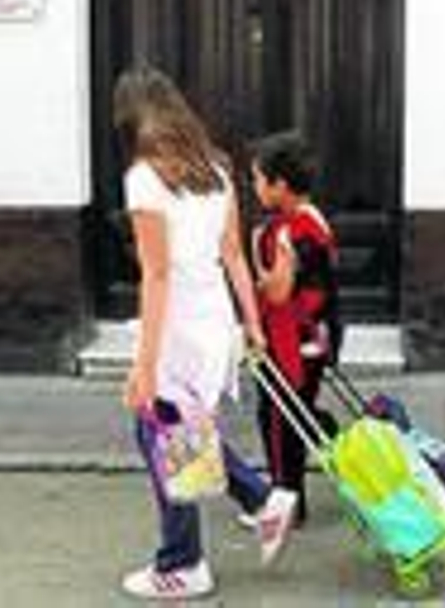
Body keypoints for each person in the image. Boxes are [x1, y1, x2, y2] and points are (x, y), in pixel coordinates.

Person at [114, 68, 299, 601]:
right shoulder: (215, 170)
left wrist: (144, 364)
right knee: (181, 431)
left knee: (162, 433)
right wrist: (253, 325)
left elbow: (157, 274)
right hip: (213, 321)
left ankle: (185, 561)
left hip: (178, 327)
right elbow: (234, 256)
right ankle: (263, 501)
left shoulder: (144, 179)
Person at [247, 130, 343, 527]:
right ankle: (320, 431)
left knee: (276, 421)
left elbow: (280, 291)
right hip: (316, 339)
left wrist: (256, 275)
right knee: (292, 415)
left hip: (289, 343)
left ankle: (286, 505)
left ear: (279, 185)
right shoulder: (314, 220)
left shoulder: (289, 230)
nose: (253, 187)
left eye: (256, 178)